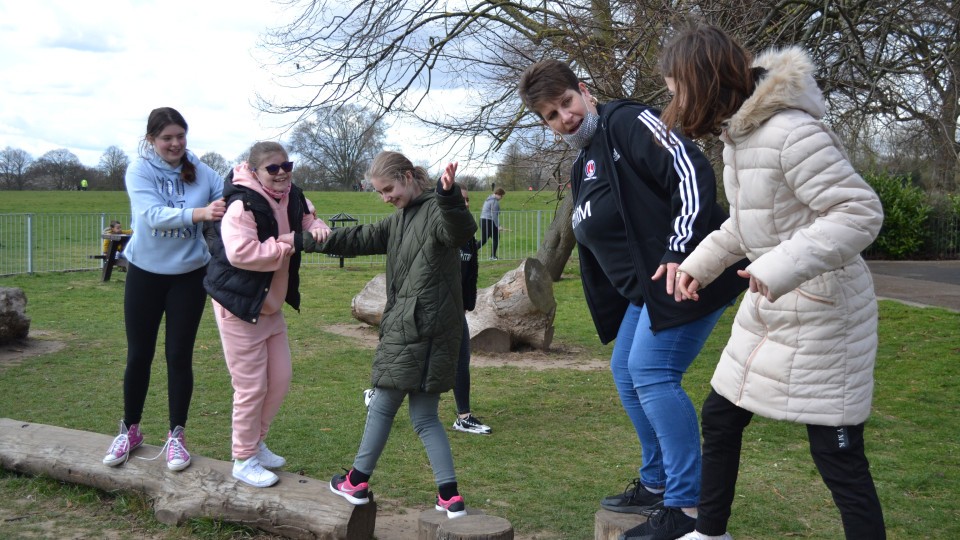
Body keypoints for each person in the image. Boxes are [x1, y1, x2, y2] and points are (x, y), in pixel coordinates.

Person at [661, 25, 886, 540]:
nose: (674, 103)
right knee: (720, 418)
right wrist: (698, 265)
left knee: (837, 455)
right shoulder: (739, 138)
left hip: (828, 314)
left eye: (678, 90)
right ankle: (710, 532)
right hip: (770, 311)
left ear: (704, 81)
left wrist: (778, 266)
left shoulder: (791, 132)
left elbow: (859, 212)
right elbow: (747, 223)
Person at [518, 60, 747, 540]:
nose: (565, 117)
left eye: (566, 102)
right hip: (646, 294)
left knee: (652, 372)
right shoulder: (584, 163)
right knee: (625, 370)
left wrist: (681, 251)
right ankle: (657, 479)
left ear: (584, 91)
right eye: (551, 115)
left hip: (688, 274)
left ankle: (686, 506)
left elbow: (689, 168)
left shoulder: (626, 121)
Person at [302, 150, 477, 518]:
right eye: (380, 192)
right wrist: (308, 238)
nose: (386, 197)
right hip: (431, 330)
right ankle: (450, 495)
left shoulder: (435, 209)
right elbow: (358, 238)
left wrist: (448, 196)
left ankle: (357, 480)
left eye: (389, 189)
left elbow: (460, 231)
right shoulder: (400, 219)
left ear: (409, 176)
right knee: (425, 417)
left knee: (382, 405)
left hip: (414, 327)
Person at [101, 107, 226, 471]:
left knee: (178, 355)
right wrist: (200, 213)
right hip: (145, 273)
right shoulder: (139, 170)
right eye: (167, 138)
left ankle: (176, 437)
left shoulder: (202, 171)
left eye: (180, 136)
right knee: (139, 354)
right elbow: (150, 216)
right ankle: (130, 430)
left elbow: (234, 196)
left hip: (189, 276)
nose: (175, 143)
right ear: (151, 140)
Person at [203, 142, 331, 488]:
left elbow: (309, 220)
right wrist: (288, 243)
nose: (282, 173)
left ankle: (255, 444)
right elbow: (241, 253)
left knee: (281, 378)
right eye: (273, 168)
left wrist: (317, 226)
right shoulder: (242, 204)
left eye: (286, 165)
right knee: (250, 387)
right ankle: (243, 459)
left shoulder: (294, 195)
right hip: (240, 304)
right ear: (255, 170)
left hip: (269, 304)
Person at [452, 183, 492, 435]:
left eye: (468, 200)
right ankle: (379, 395)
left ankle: (463, 416)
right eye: (461, 199)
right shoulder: (440, 231)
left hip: (456, 311)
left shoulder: (467, 235)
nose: (466, 204)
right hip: (432, 310)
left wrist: (466, 304)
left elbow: (469, 275)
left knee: (461, 359)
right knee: (418, 360)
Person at [478, 188, 504, 260]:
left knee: (487, 239)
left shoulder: (489, 199)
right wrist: (498, 226)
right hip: (488, 221)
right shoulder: (494, 202)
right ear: (498, 194)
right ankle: (492, 256)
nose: (501, 198)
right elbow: (494, 215)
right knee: (492, 238)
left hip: (483, 220)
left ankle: (492, 256)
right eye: (501, 196)